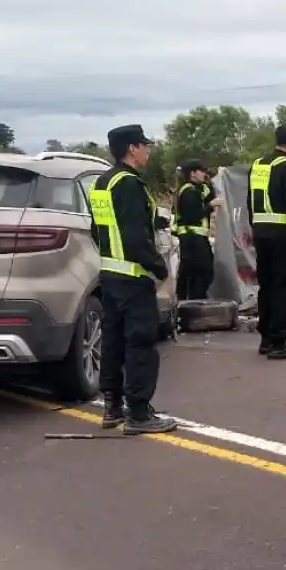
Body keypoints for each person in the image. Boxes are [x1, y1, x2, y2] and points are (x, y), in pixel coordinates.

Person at [90, 124, 177, 433]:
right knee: (140, 344)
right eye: (145, 145)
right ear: (132, 148)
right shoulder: (129, 184)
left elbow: (99, 230)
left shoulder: (103, 182)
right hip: (133, 277)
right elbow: (135, 237)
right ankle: (139, 414)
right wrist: (160, 269)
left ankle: (112, 407)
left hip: (110, 275)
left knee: (113, 342)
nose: (148, 150)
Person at [247, 124, 286, 359]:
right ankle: (278, 342)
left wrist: (256, 228)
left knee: (268, 287)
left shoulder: (257, 166)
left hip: (261, 233)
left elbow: (249, 202)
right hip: (285, 236)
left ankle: (266, 339)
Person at [173, 159, 222, 300]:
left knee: (191, 274)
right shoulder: (189, 192)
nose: (204, 175)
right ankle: (195, 303)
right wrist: (210, 205)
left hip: (192, 239)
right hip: (193, 240)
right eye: (201, 172)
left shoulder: (194, 190)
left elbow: (207, 195)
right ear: (193, 173)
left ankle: (188, 303)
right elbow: (192, 215)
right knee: (202, 272)